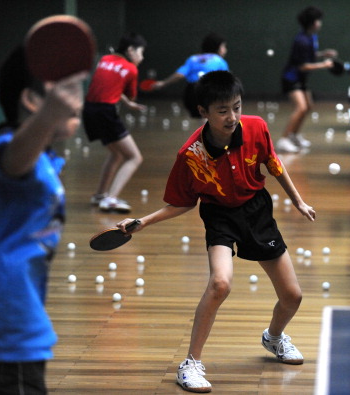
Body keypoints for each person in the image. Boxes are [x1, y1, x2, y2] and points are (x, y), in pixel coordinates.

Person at [116, 70, 315, 393]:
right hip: (219, 215)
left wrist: (299, 202)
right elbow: (182, 203)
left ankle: (274, 338)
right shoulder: (190, 155)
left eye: (236, 107)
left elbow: (274, 164)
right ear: (203, 112)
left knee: (293, 296)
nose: (232, 117)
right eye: (223, 111)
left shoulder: (256, 128)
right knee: (220, 283)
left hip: (257, 211)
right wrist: (143, 222)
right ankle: (191, 364)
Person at [0, 29, 88, 394]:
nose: (77, 100)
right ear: (33, 100)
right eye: (64, 91)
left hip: (7, 332)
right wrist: (50, 114)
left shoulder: (42, 162)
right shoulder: (8, 151)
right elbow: (15, 158)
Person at [83, 33, 147, 213]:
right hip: (105, 112)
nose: (141, 58)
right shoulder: (131, 68)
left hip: (89, 110)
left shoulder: (104, 59)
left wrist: (127, 103)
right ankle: (111, 199)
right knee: (134, 157)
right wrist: (130, 100)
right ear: (130, 50)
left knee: (116, 154)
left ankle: (100, 195)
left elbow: (109, 86)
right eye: (140, 53)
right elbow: (130, 93)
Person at [277, 6, 337, 153]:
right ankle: (283, 140)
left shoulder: (311, 36)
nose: (320, 23)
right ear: (313, 23)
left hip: (301, 79)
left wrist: (323, 54)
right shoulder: (301, 40)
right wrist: (324, 64)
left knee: (308, 106)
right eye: (318, 20)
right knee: (301, 107)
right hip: (291, 78)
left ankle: (294, 135)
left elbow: (309, 55)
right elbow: (303, 66)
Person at [152, 33, 229, 118]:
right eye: (224, 47)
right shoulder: (220, 61)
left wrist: (163, 83)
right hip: (209, 92)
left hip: (191, 93)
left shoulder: (193, 58)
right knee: (207, 120)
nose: (225, 50)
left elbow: (179, 75)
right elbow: (227, 81)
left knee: (197, 120)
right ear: (217, 47)